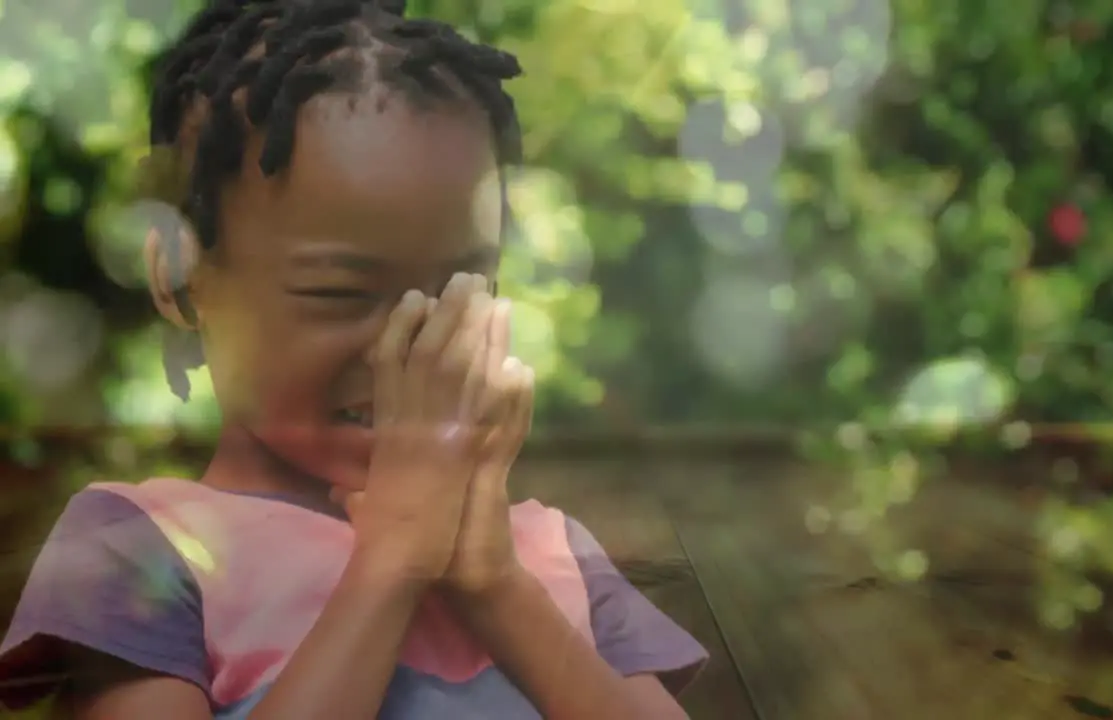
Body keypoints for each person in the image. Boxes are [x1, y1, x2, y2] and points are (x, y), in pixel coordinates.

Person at [0, 0, 707, 717]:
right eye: (340, 292)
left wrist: (494, 583)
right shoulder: (141, 549)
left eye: (459, 289)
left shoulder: (549, 555)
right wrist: (392, 564)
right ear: (180, 279)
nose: (409, 340)